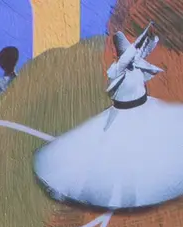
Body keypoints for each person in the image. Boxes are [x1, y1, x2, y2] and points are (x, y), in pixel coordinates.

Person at [33, 22, 183, 209]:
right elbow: (117, 75)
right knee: (120, 155)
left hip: (145, 111)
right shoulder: (117, 71)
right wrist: (137, 48)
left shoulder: (136, 66)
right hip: (123, 116)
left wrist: (148, 40)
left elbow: (144, 51)